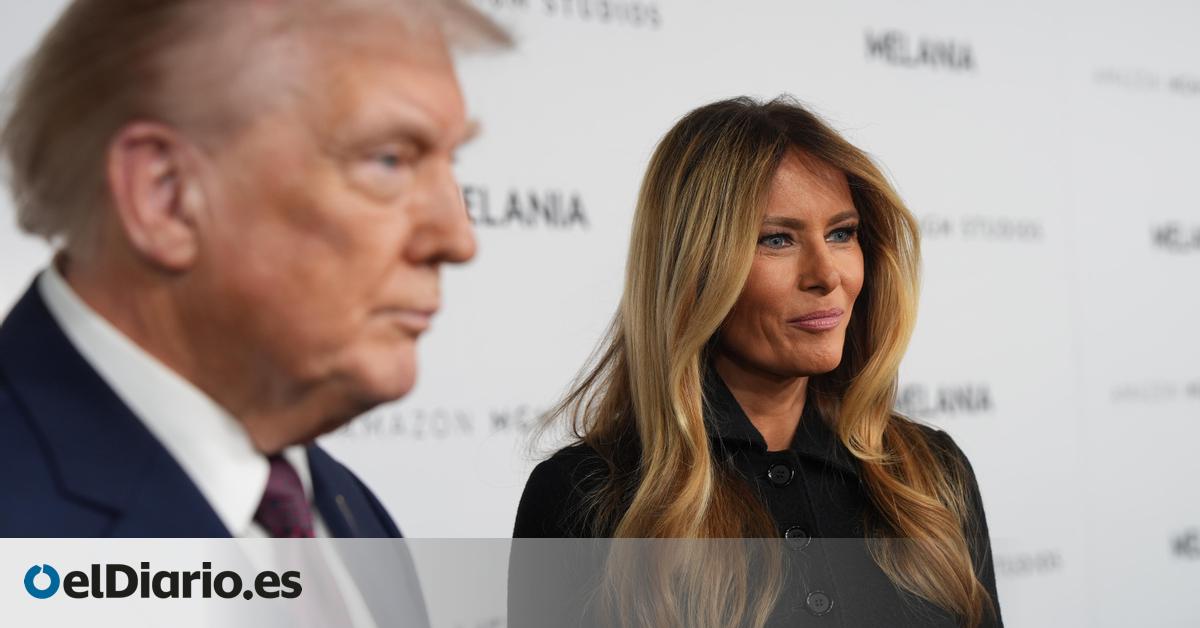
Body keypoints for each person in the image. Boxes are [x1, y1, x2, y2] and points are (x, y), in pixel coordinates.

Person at [0, 0, 508, 539]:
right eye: (389, 160)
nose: (458, 240)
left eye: (451, 162)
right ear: (165, 196)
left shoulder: (347, 512)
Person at [512, 97, 1003, 627]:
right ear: (693, 267)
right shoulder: (581, 497)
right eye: (777, 239)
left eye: (841, 233)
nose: (826, 275)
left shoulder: (931, 475)